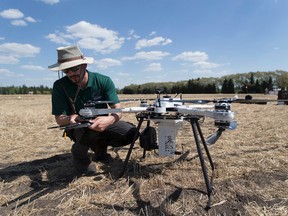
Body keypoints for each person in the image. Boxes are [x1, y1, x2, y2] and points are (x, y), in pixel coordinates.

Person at [48, 45, 138, 175]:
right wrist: (70, 118)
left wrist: (110, 119)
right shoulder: (59, 86)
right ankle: (80, 157)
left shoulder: (103, 81)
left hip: (103, 123)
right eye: (66, 71)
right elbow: (59, 120)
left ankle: (100, 151)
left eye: (74, 68)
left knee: (131, 133)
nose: (71, 74)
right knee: (85, 132)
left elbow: (118, 110)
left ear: (84, 65)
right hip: (78, 127)